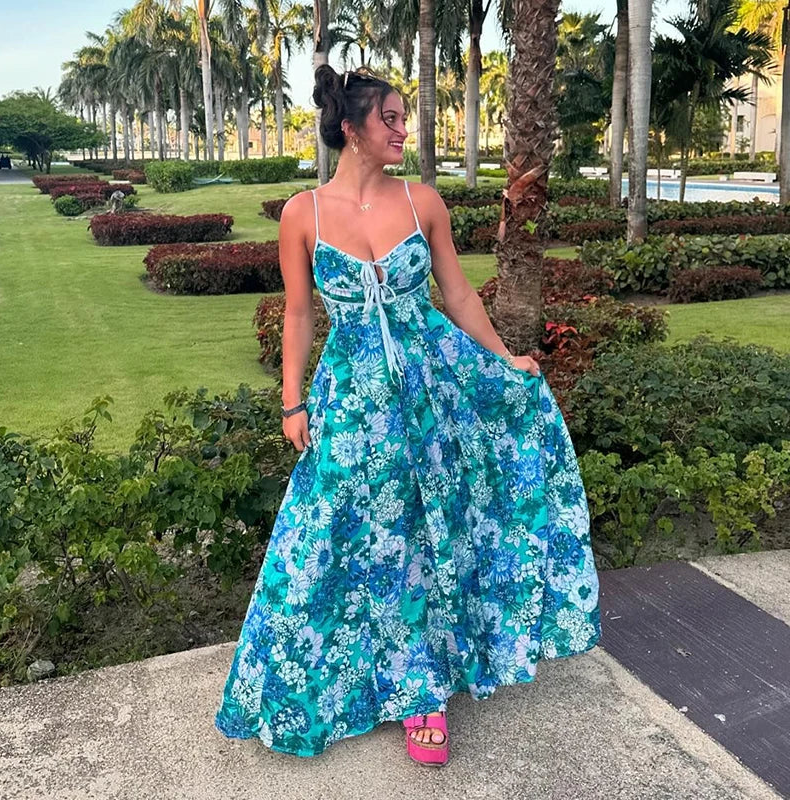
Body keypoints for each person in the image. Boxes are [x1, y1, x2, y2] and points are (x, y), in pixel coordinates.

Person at [214, 64, 602, 766]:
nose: (402, 130)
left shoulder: (423, 202)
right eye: (390, 119)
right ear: (350, 129)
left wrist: (507, 359)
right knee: (331, 532)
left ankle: (422, 688)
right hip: (354, 399)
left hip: (433, 390)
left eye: (402, 118)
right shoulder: (304, 214)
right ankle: (313, 678)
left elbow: (456, 294)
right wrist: (291, 399)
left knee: (428, 528)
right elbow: (299, 314)